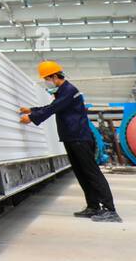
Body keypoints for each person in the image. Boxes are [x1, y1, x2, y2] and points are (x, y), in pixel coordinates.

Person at [19, 61, 121, 222]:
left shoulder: (68, 90)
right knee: (82, 174)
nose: (46, 82)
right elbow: (53, 106)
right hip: (72, 138)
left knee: (92, 173)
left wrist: (32, 118)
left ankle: (110, 210)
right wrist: (32, 110)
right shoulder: (63, 92)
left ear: (54, 76)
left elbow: (53, 108)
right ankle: (93, 206)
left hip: (79, 138)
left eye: (47, 78)